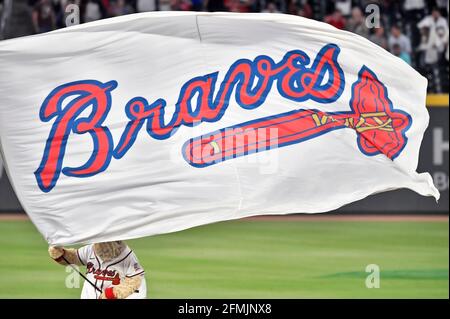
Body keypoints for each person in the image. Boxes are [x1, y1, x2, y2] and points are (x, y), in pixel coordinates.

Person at [48, 241, 147, 299]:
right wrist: (61, 254)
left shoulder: (127, 256)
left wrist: (112, 294)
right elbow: (74, 258)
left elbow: (136, 280)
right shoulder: (91, 250)